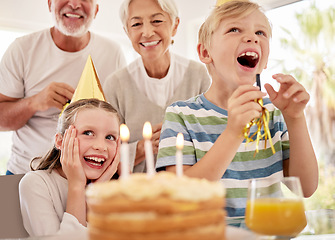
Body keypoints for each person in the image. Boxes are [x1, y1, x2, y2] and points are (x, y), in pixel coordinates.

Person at [156, 0, 318, 226]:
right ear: (205, 52)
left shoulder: (275, 113)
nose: (252, 37)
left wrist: (295, 119)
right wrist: (233, 132)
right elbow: (180, 195)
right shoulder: (181, 115)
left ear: (265, 59)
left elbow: (306, 187)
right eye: (234, 29)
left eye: (260, 32)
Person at [0, 0, 126, 175]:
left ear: (96, 10)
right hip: (25, 172)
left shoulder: (113, 53)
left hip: (89, 179)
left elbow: (117, 125)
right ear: (50, 4)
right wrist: (34, 102)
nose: (74, 4)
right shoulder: (22, 49)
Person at [103, 0, 211, 173]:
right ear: (127, 31)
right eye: (136, 24)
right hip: (136, 192)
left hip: (188, 190)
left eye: (157, 21)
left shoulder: (199, 76)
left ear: (175, 25)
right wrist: (140, 149)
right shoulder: (115, 85)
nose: (147, 32)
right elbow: (104, 150)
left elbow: (212, 140)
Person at [19, 98, 120, 236]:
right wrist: (76, 186)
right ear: (60, 141)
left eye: (110, 137)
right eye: (88, 133)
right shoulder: (36, 184)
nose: (101, 146)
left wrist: (96, 192)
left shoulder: (118, 190)